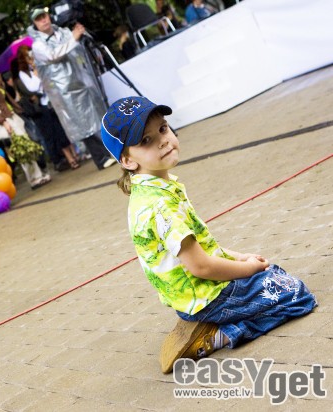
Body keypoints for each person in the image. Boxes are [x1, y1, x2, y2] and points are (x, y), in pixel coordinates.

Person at [100, 96, 317, 374]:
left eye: (163, 129)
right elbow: (201, 266)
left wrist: (240, 258)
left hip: (193, 296)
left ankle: (210, 318)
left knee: (272, 273)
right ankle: (219, 334)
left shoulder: (153, 190)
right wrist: (247, 269)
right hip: (209, 295)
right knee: (297, 294)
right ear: (128, 160)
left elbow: (201, 246)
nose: (163, 141)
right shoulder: (160, 205)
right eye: (146, 140)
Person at [27, 6, 117, 171]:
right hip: (65, 91)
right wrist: (74, 38)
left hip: (82, 81)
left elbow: (79, 47)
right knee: (82, 123)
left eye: (44, 16)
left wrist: (80, 34)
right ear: (35, 24)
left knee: (98, 114)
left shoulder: (63, 32)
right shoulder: (38, 45)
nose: (43, 20)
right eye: (38, 19)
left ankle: (113, 149)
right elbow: (53, 55)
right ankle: (101, 158)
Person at [0, 61, 51, 189]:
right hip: (5, 120)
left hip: (11, 115)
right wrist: (3, 122)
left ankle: (38, 175)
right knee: (22, 148)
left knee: (27, 145)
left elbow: (5, 97)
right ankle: (34, 179)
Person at [14, 45, 79, 171]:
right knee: (54, 133)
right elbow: (33, 88)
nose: (31, 58)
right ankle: (67, 158)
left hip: (53, 100)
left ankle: (74, 154)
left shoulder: (40, 65)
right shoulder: (24, 73)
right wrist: (37, 73)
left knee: (63, 128)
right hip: (42, 106)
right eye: (28, 56)